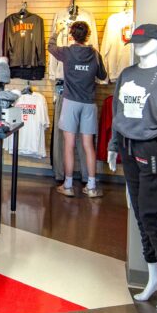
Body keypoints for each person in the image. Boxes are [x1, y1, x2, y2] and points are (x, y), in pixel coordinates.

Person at [106, 24, 157, 311]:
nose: (138, 46)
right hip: (127, 146)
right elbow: (117, 112)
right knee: (139, 214)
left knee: (152, 214)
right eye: (135, 42)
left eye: (144, 41)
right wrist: (113, 145)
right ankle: (154, 278)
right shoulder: (127, 74)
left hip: (153, 147)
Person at [48, 20, 107, 197]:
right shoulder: (95, 54)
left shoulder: (67, 52)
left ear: (72, 35)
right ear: (88, 35)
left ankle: (67, 185)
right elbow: (102, 75)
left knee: (69, 144)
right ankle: (91, 186)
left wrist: (57, 32)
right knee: (88, 145)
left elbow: (50, 47)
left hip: (70, 102)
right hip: (89, 103)